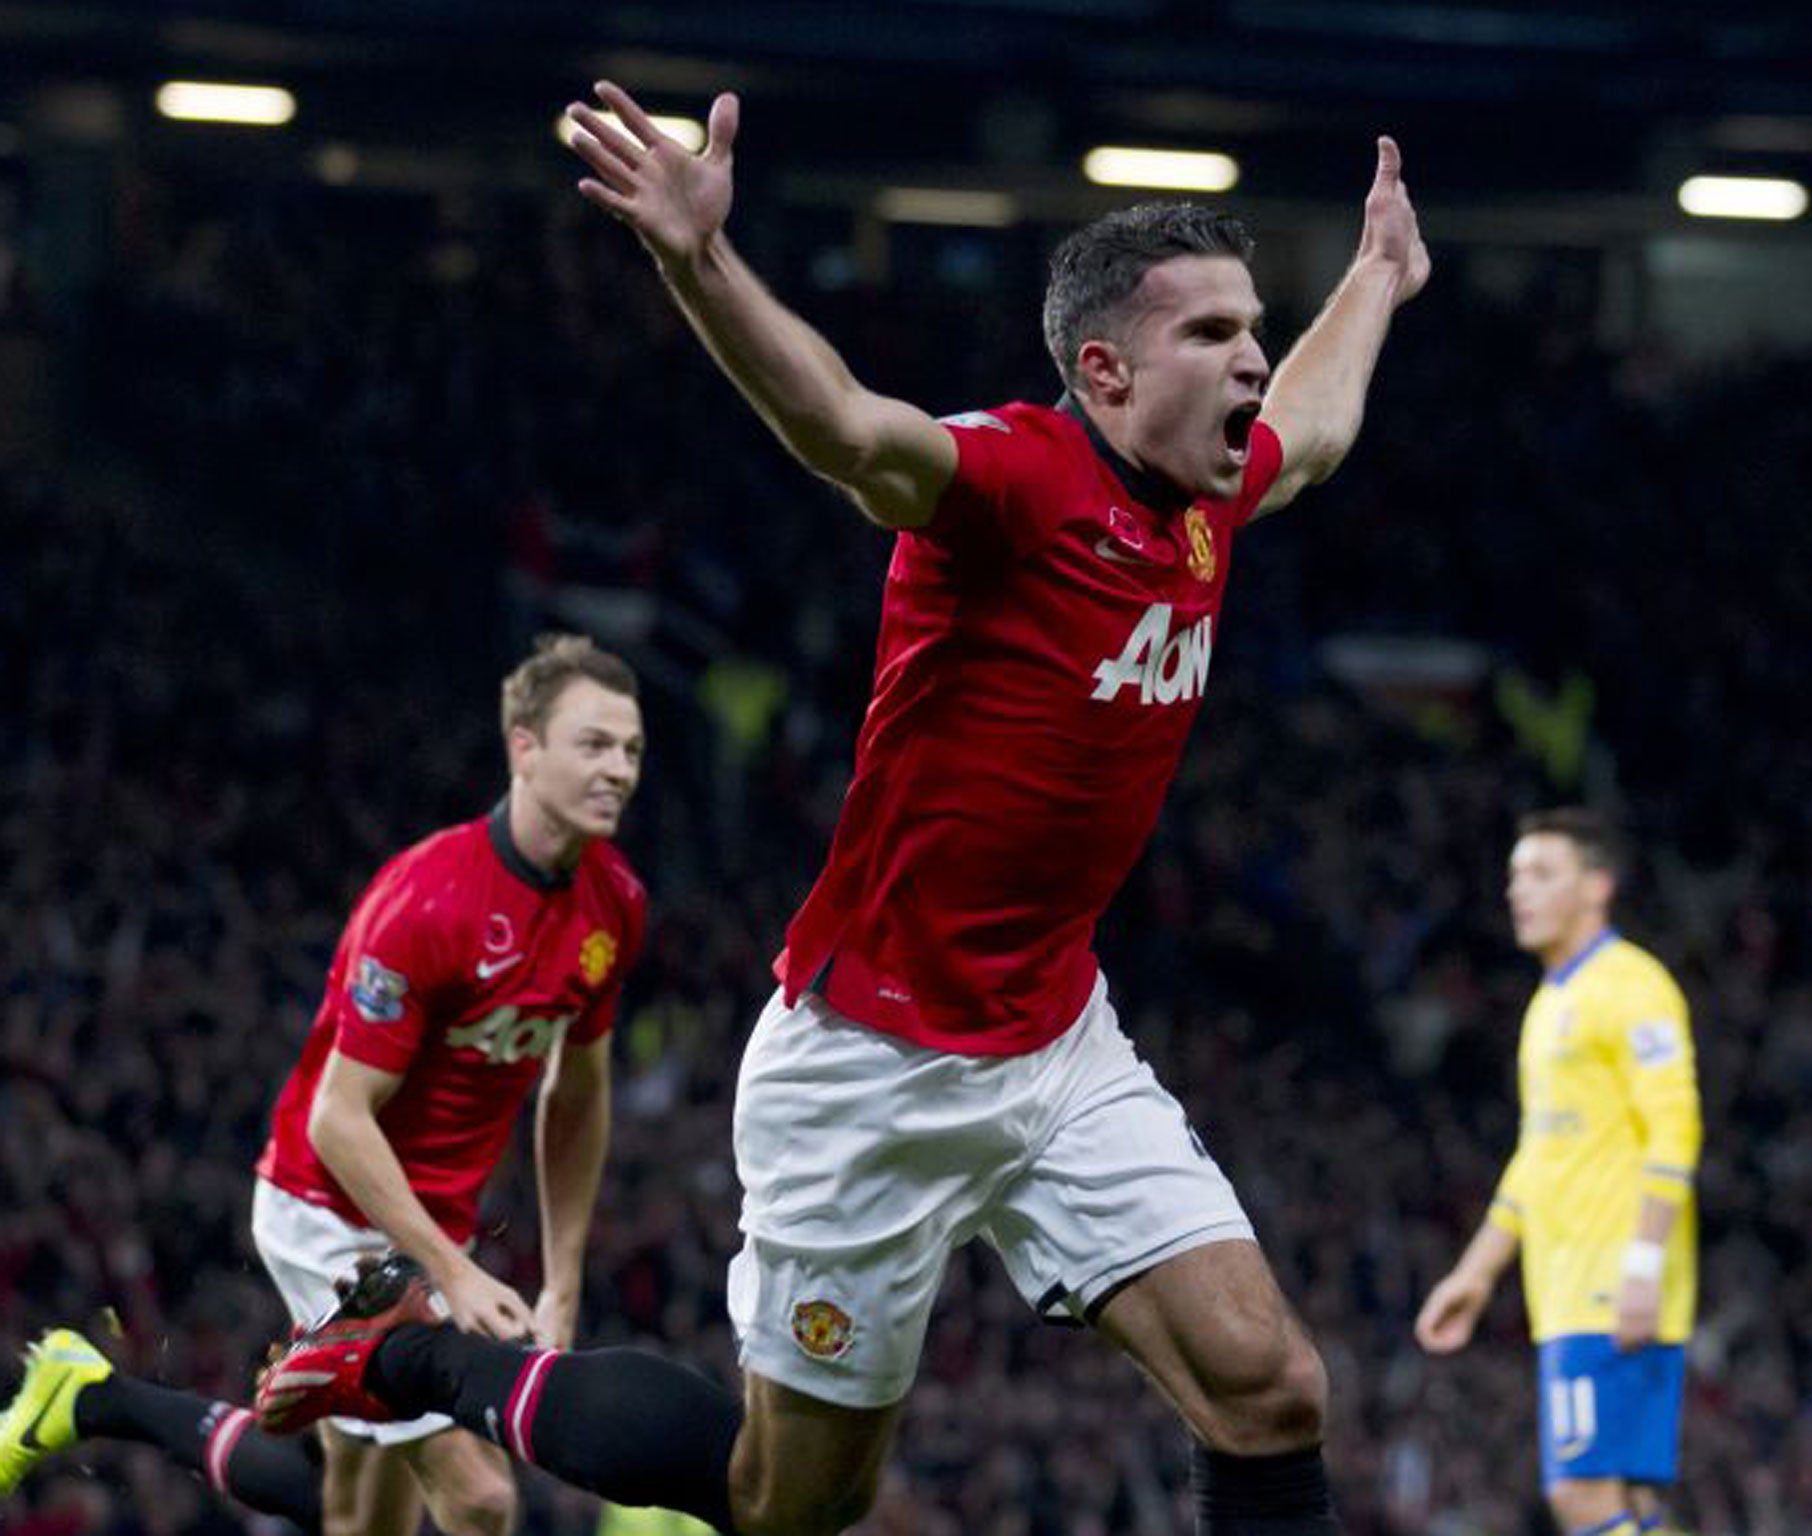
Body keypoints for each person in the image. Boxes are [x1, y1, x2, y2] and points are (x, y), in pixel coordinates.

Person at [257, 79, 1430, 1536]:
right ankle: (413, 1354)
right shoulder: (1012, 477)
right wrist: (698, 256)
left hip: (1056, 1039)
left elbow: (1312, 430)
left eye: (1256, 327)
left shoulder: (1206, 494)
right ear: (1105, 370)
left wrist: (1376, 277)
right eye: (1213, 333)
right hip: (868, 1065)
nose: (1254, 360)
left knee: (1272, 1391)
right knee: (786, 1501)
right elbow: (842, 426)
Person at [2, 633, 647, 1536]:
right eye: (594, 744)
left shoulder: (614, 904)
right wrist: (450, 1272)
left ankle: (94, 1399)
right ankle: (98, 1399)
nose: (618, 769)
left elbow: (577, 1094)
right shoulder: (427, 901)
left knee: (357, 1512)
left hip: (431, 1224)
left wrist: (565, 1276)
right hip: (329, 1207)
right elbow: (341, 1118)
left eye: (631, 750)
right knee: (481, 1498)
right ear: (524, 748)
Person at [1415, 809, 1702, 1536]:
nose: (1519, 892)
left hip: (1612, 1283)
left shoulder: (1631, 985)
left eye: (1542, 873)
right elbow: (1539, 1155)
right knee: (1628, 1503)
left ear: (1597, 886)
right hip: (1568, 1284)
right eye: (1514, 877)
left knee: (1581, 1496)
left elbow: (1677, 1125)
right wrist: (1478, 1272)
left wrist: (1642, 1264)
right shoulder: (1550, 1005)